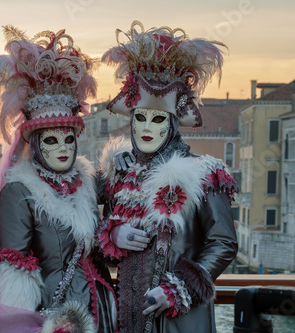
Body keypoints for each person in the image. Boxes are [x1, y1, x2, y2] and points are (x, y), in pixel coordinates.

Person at [0, 26, 116, 333]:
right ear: (36, 143)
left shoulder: (88, 181)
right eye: (51, 141)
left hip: (103, 309)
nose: (63, 148)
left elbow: (124, 205)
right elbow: (15, 273)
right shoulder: (19, 192)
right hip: (53, 317)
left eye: (68, 139)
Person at [97, 21, 239, 333]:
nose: (147, 128)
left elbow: (223, 242)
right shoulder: (121, 174)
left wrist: (179, 288)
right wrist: (113, 235)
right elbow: (94, 243)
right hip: (129, 316)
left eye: (158, 119)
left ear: (173, 123)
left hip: (181, 320)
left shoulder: (203, 173)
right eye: (140, 118)